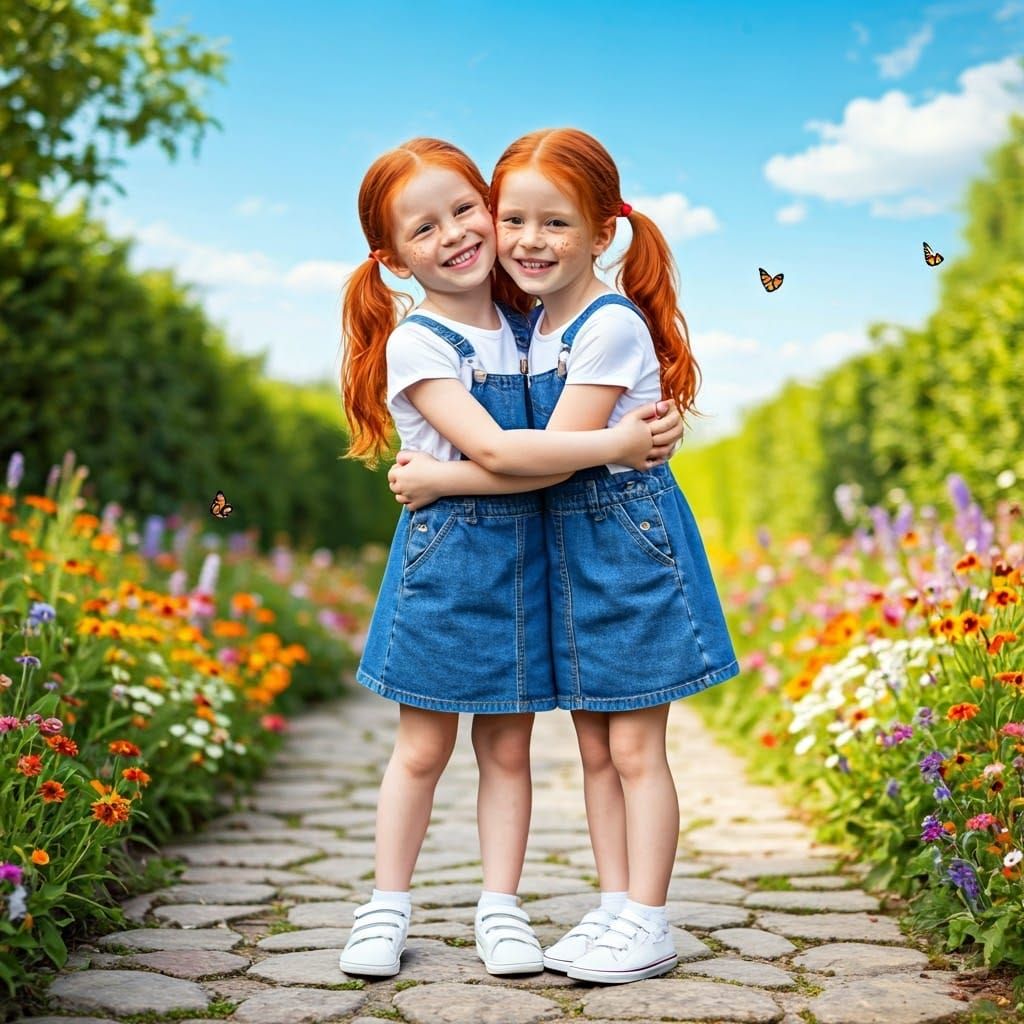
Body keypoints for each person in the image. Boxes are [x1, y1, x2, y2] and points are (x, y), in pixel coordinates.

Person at [388, 128, 740, 985]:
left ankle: (649, 917)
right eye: (515, 219)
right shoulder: (532, 325)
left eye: (555, 223)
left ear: (602, 234)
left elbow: (547, 449)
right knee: (593, 751)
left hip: (624, 546)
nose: (527, 241)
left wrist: (440, 475)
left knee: (633, 752)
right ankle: (617, 904)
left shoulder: (607, 325)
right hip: (569, 544)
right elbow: (541, 457)